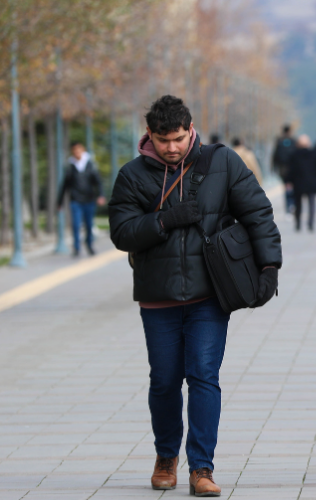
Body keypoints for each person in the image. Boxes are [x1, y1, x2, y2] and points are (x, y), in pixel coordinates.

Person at [109, 95, 282, 497]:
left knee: (204, 376)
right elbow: (121, 232)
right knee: (165, 380)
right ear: (149, 135)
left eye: (179, 138)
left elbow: (258, 212)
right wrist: (165, 220)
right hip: (158, 295)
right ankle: (166, 457)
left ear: (191, 130)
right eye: (164, 139)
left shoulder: (221, 162)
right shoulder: (132, 175)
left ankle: (201, 468)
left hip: (210, 293)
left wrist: (270, 266)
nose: (172, 147)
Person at [57, 141, 105, 257]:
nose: (77, 153)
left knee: (89, 225)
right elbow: (64, 185)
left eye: (79, 150)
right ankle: (76, 248)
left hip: (89, 200)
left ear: (82, 150)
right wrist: (60, 202)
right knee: (76, 224)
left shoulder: (90, 165)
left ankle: (89, 245)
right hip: (75, 200)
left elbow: (98, 182)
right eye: (74, 151)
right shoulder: (70, 167)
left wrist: (100, 195)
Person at [286, 134, 316, 232]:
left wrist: (288, 181)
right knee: (312, 203)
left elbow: (291, 170)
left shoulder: (294, 154)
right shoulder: (314, 154)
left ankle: (298, 223)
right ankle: (310, 223)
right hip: (311, 183)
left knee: (298, 204)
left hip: (298, 183)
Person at [273, 124, 297, 213]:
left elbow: (275, 155)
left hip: (283, 169)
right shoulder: (293, 141)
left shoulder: (279, 141)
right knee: (294, 188)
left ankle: (288, 207)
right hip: (293, 169)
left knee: (286, 187)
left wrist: (274, 167)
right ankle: (293, 204)